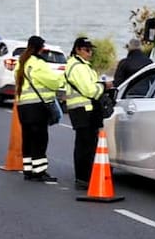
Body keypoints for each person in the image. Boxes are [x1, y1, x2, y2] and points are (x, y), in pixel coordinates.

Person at [15, 35, 65, 182]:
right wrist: (62, 78)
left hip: (23, 107)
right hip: (37, 107)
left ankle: (28, 170)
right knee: (40, 140)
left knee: (28, 139)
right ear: (40, 48)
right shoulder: (38, 64)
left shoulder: (21, 63)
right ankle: (39, 171)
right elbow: (54, 82)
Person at [63, 37, 106, 190]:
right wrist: (103, 87)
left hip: (84, 110)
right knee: (85, 146)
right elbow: (89, 90)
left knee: (86, 145)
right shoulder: (78, 67)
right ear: (78, 50)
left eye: (91, 50)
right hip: (83, 110)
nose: (90, 53)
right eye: (87, 50)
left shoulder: (82, 66)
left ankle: (85, 177)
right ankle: (83, 178)